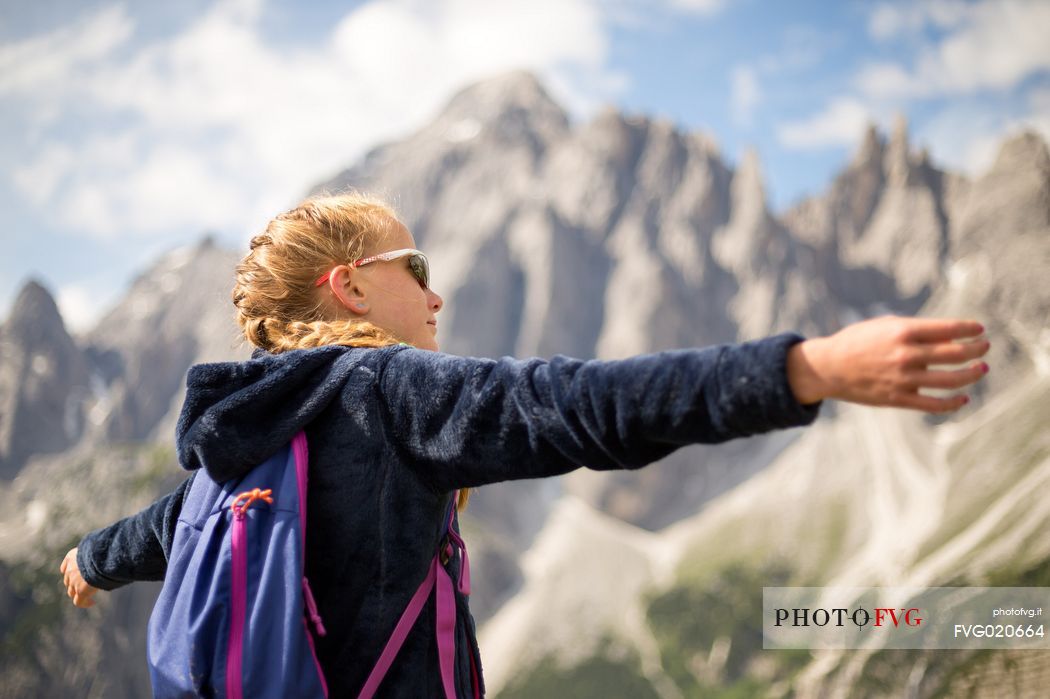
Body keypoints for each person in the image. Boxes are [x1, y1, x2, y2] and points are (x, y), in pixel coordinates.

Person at [59, 193, 991, 697]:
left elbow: (161, 527)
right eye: (414, 267)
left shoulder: (241, 436)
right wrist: (805, 367)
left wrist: (88, 559)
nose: (435, 295)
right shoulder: (390, 388)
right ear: (347, 288)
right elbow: (582, 405)